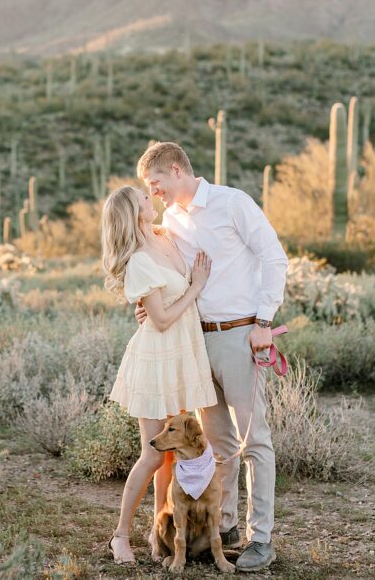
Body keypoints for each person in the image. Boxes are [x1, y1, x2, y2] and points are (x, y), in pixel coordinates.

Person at [135, 141, 288, 572]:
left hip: (241, 334)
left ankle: (262, 540)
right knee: (219, 445)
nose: (155, 192)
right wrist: (151, 303)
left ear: (177, 169)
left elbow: (275, 257)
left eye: (156, 182)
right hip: (196, 342)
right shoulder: (170, 220)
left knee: (254, 440)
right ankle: (226, 528)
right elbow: (176, 277)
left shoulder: (232, 203)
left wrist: (264, 321)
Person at [100, 185, 218, 565]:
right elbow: (163, 319)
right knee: (152, 455)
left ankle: (158, 533)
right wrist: (196, 286)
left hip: (182, 356)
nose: (150, 198)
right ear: (133, 214)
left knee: (172, 455)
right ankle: (120, 536)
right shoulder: (138, 260)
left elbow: (163, 304)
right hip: (157, 358)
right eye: (142, 199)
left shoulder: (165, 236)